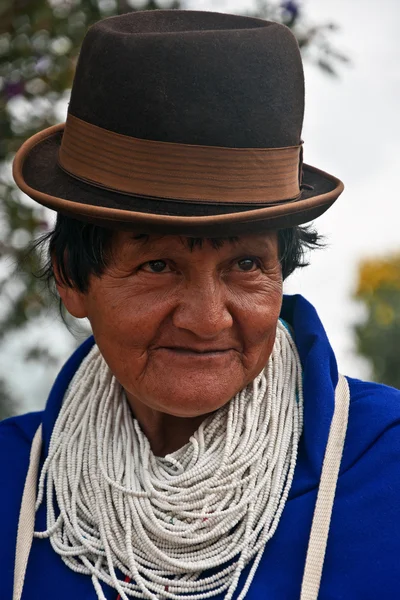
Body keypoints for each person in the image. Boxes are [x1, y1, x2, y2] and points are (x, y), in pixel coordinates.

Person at [2, 8, 400, 600]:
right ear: (72, 279)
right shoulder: (13, 483)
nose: (208, 317)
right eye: (158, 266)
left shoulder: (383, 464)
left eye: (245, 265)